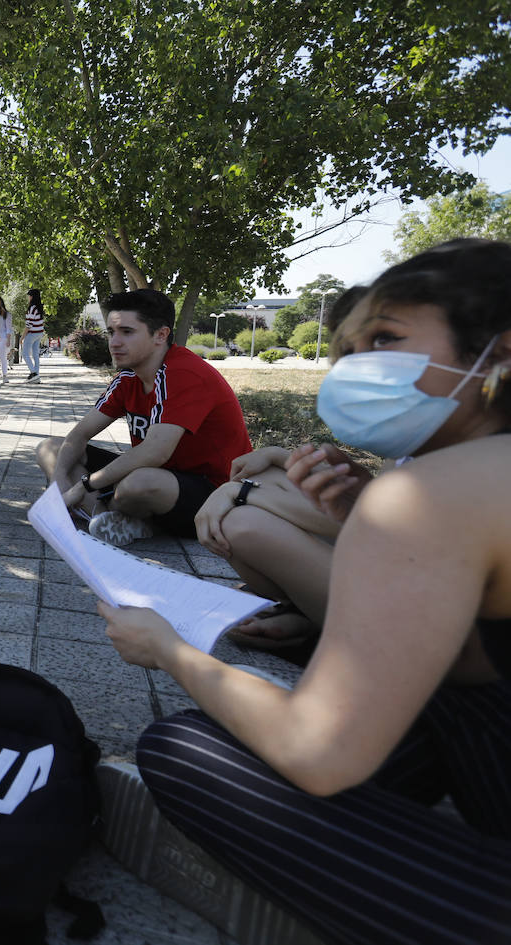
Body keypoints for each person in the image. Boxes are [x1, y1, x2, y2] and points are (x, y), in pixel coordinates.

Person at [100, 239, 511, 945]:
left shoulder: (434, 493)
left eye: (385, 340)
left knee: (179, 747)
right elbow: (476, 661)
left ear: (498, 355)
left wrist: (168, 648)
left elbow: (318, 751)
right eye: (349, 351)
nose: (356, 371)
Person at [192, 286, 372, 652]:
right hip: (389, 576)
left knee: (243, 519)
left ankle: (324, 629)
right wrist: (274, 454)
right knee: (261, 478)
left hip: (409, 620)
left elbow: (374, 532)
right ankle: (305, 613)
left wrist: (238, 493)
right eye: (345, 352)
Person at [37, 288, 252, 547]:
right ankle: (103, 518)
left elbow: (154, 452)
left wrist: (82, 486)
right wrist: (60, 481)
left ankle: (101, 510)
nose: (114, 342)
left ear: (160, 335)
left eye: (127, 332)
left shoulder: (185, 374)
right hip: (156, 475)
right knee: (50, 448)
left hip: (215, 492)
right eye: (111, 332)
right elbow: (80, 435)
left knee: (137, 484)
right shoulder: (129, 377)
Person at [22, 288, 46, 382]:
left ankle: (34, 373)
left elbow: (29, 325)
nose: (28, 298)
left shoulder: (32, 308)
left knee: (25, 354)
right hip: (39, 333)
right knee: (35, 355)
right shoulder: (39, 308)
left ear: (32, 297)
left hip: (32, 334)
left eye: (29, 296)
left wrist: (22, 337)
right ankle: (36, 376)